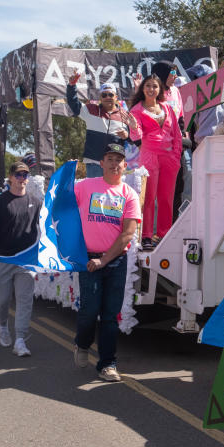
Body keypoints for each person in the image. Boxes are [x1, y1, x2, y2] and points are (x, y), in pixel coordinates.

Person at [73, 143, 141, 381]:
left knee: (110, 316)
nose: (114, 164)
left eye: (118, 160)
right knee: (89, 312)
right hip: (88, 260)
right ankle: (82, 344)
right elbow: (60, 203)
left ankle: (107, 364)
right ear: (101, 163)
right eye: (110, 159)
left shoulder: (129, 195)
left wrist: (104, 260)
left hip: (114, 262)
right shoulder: (84, 187)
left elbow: (127, 234)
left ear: (125, 165)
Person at [0, 160, 42, 356]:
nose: (22, 179)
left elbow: (49, 224)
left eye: (25, 175)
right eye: (18, 175)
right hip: (3, 259)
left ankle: (20, 340)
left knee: (25, 301)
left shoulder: (35, 201)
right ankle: (2, 326)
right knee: (1, 301)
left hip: (26, 260)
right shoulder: (0, 202)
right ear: (11, 177)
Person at [127, 73, 181, 249]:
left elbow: (177, 135)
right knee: (149, 197)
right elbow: (137, 139)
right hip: (149, 155)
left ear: (160, 89)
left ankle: (164, 234)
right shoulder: (136, 110)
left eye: (155, 86)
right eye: (148, 86)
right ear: (143, 88)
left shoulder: (167, 108)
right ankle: (147, 236)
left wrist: (176, 156)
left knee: (166, 198)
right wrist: (134, 127)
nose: (151, 89)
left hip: (169, 158)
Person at [65, 74, 138, 178]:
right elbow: (74, 104)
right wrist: (71, 86)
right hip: (94, 162)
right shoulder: (90, 110)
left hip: (115, 164)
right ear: (100, 98)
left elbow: (134, 139)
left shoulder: (125, 115)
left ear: (116, 97)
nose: (107, 97)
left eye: (111, 95)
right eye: (104, 95)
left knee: (112, 193)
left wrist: (127, 136)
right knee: (95, 194)